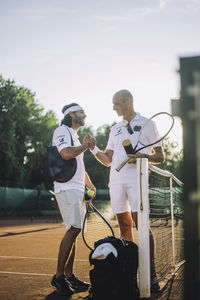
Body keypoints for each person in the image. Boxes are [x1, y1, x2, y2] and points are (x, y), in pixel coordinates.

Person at [89, 89, 164, 293]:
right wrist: (94, 149)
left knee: (141, 224)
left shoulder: (148, 123)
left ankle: (151, 274)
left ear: (128, 102)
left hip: (137, 179)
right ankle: (128, 272)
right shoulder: (115, 129)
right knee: (124, 225)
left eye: (116, 103)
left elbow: (160, 156)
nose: (114, 107)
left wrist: (141, 157)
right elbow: (108, 160)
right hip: (116, 181)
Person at [50, 103, 96, 297]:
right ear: (71, 114)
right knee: (74, 229)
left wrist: (90, 185)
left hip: (76, 188)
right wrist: (86, 146)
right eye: (81, 112)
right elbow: (65, 153)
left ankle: (69, 275)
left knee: (74, 230)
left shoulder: (74, 135)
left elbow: (79, 165)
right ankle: (58, 276)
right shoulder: (62, 130)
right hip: (66, 187)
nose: (84, 115)